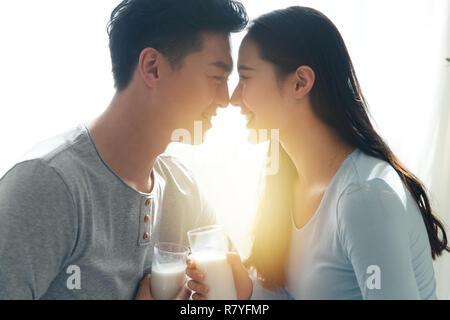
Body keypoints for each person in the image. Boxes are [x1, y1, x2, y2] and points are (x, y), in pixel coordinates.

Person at [189, 6, 450, 300]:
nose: (234, 99)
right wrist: (247, 293)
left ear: (300, 82)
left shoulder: (365, 197)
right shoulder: (288, 181)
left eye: (246, 78)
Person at [0, 0, 248, 300]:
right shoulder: (47, 186)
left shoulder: (184, 192)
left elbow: (232, 292)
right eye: (216, 77)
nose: (225, 99)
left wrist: (235, 296)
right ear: (152, 68)